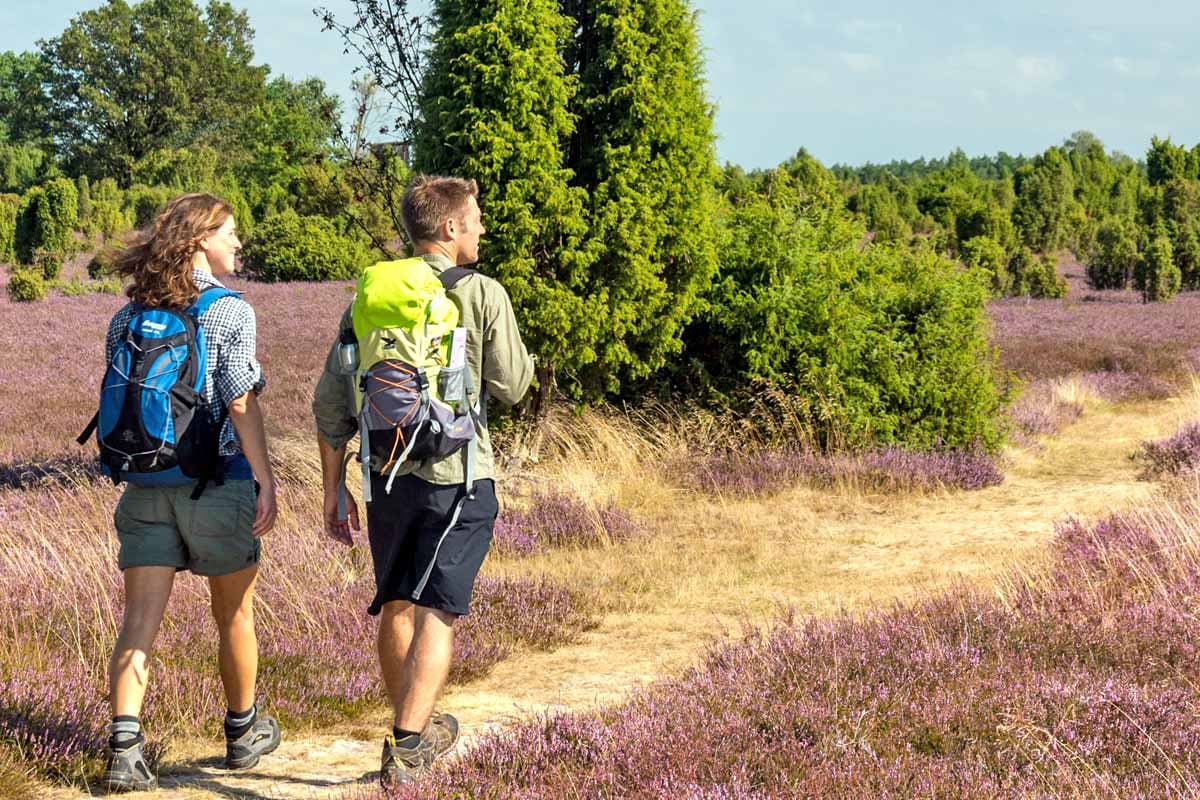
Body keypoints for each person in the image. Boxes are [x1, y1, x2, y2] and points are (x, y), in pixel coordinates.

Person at [312, 175, 534, 785]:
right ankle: (408, 747)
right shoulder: (484, 292)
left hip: (383, 477)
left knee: (397, 602)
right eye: (477, 217)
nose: (483, 227)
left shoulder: (370, 298)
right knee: (438, 610)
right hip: (456, 475)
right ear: (450, 228)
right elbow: (513, 386)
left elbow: (332, 407)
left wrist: (334, 490)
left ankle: (411, 721)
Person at [99, 193, 280, 792]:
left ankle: (125, 748)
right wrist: (265, 478)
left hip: (145, 483)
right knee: (234, 614)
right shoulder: (230, 309)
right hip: (216, 480)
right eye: (230, 233)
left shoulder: (129, 313)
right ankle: (242, 732)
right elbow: (239, 399)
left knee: (139, 621)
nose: (238, 243)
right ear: (203, 239)